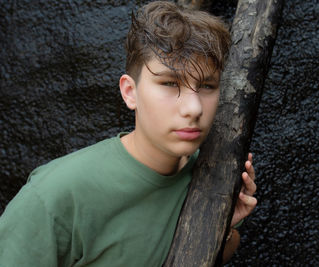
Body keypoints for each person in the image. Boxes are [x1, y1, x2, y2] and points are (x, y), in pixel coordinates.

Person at [0, 1, 257, 266]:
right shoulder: (54, 197)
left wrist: (219, 221)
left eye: (206, 85)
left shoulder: (207, 178)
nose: (193, 108)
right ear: (130, 92)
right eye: (170, 83)